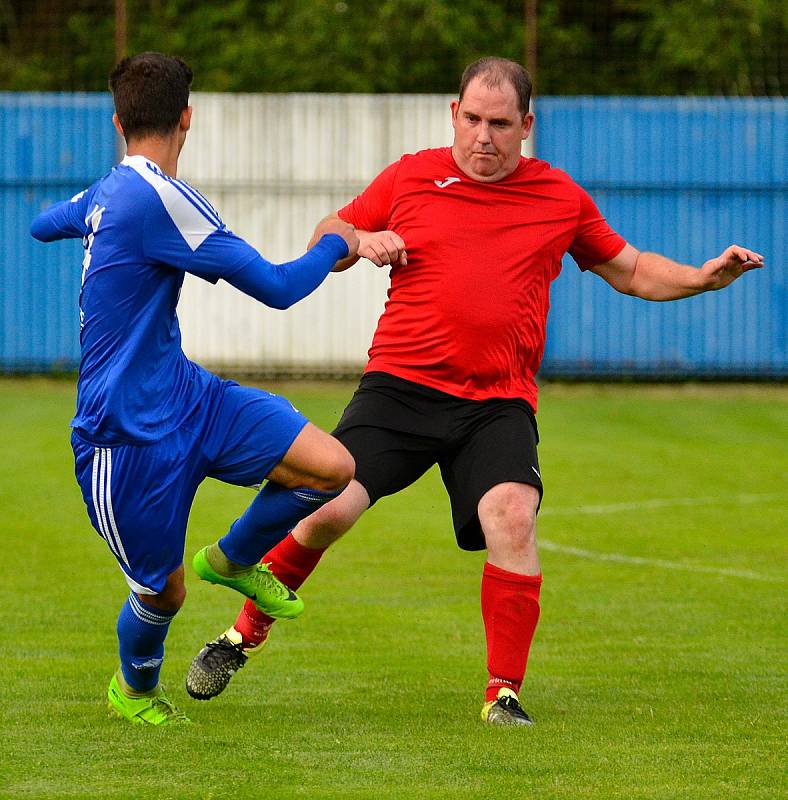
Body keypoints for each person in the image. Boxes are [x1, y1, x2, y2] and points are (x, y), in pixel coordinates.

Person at [186, 57, 764, 725]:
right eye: (471, 120)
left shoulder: (559, 197)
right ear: (453, 115)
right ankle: (239, 637)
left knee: (513, 520)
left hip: (497, 403)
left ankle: (503, 693)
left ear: (526, 126)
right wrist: (360, 238)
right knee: (324, 512)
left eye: (499, 123)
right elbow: (331, 233)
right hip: (399, 389)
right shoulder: (410, 175)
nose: (483, 136)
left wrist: (703, 275)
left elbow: (632, 270)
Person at [30, 52, 359, 726]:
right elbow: (277, 287)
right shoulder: (157, 197)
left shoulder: (110, 193)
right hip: (123, 441)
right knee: (164, 594)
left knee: (331, 469)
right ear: (188, 118)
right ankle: (134, 689)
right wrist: (334, 243)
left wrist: (79, 218)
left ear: (119, 120)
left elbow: (43, 223)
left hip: (190, 400)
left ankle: (234, 558)